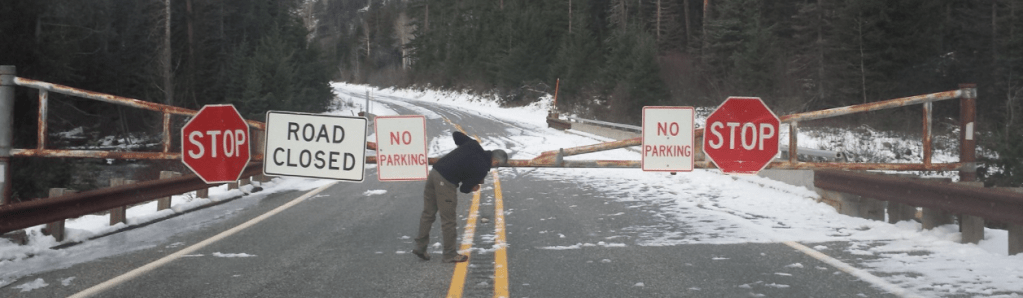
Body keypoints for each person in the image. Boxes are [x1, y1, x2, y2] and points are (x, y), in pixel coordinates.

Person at [413, 131, 508, 263]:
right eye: (497, 166)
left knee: (428, 213)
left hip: (435, 172)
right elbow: (464, 189)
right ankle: (449, 254)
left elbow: (456, 135)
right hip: (446, 182)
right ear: (496, 162)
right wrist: (473, 186)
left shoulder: (474, 145)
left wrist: (462, 155)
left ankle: (420, 247)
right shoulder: (482, 168)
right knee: (448, 220)